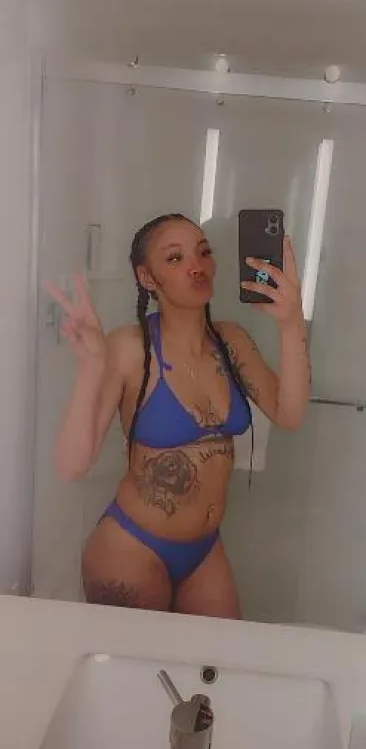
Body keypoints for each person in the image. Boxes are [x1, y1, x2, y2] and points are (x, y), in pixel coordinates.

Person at [45, 213, 310, 618]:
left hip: (204, 550)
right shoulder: (129, 347)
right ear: (147, 277)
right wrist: (92, 365)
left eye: (204, 252)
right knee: (141, 660)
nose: (196, 265)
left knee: (220, 655)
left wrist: (292, 324)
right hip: (133, 547)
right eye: (175, 258)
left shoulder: (232, 341)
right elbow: (71, 466)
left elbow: (289, 414)